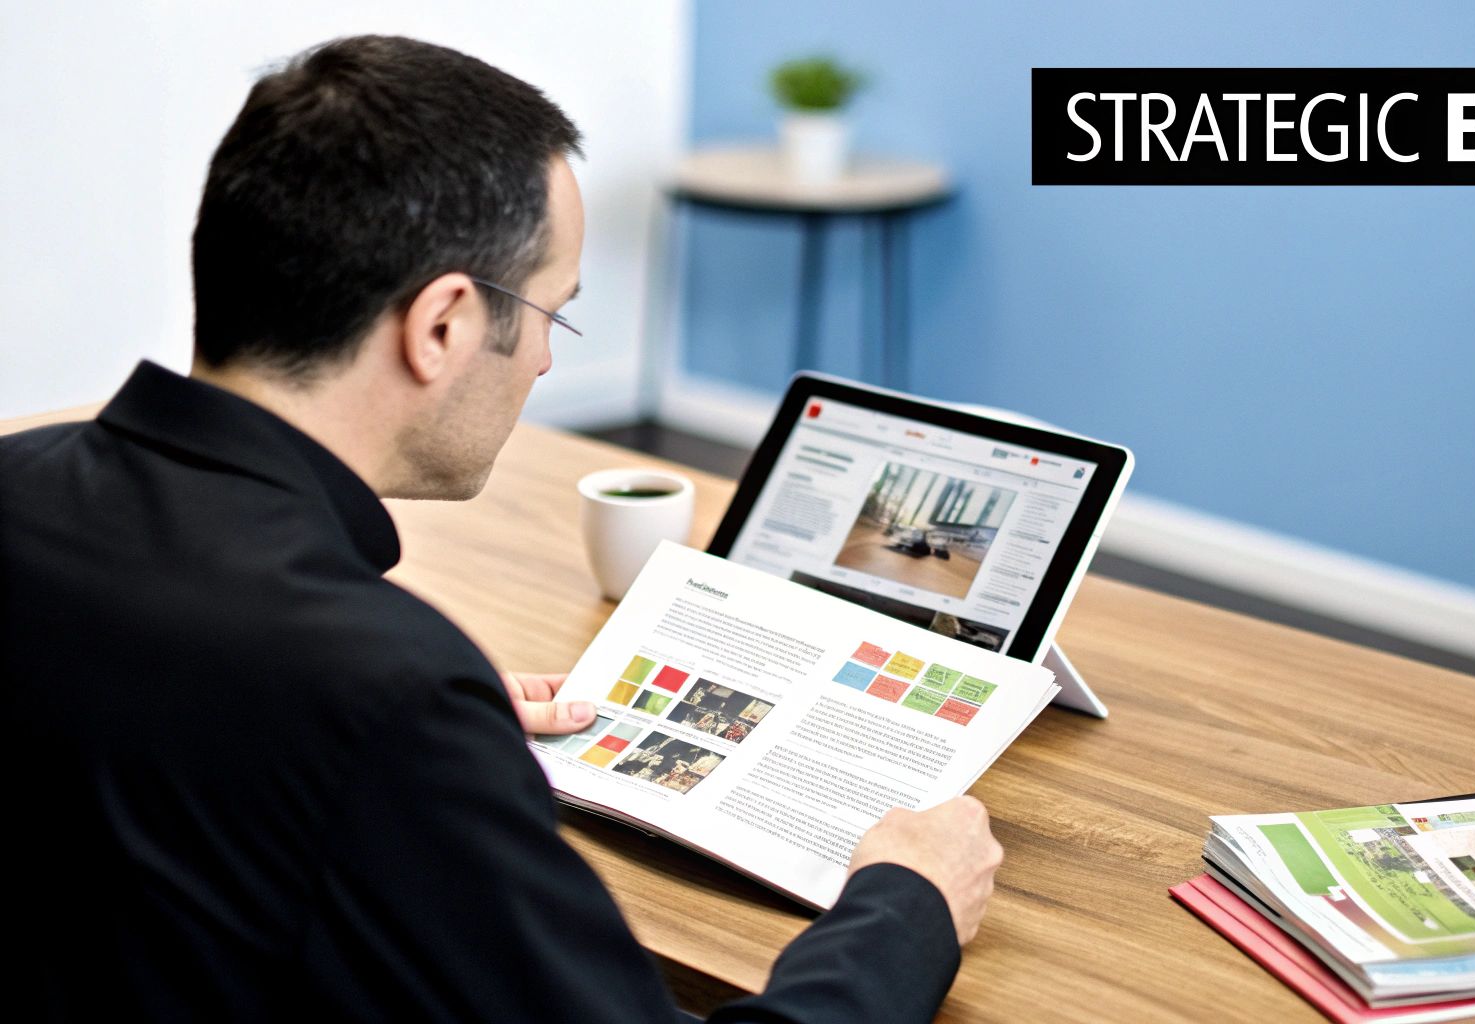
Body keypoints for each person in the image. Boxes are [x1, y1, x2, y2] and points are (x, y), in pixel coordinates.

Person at [0, 35, 1002, 1021]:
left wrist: (441, 745)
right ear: (442, 325)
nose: (546, 362)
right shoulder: (384, 691)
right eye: (552, 314)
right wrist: (907, 905)